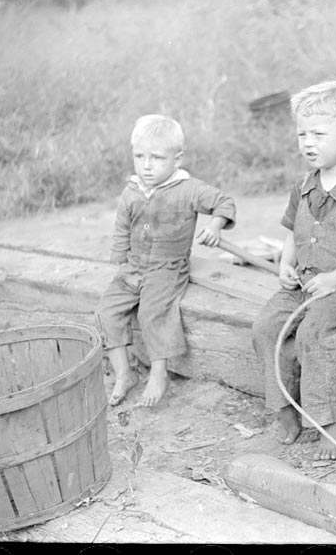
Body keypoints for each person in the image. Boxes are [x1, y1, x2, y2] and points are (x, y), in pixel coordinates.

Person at [251, 77, 336, 460]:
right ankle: (285, 410)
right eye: (301, 134)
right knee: (265, 328)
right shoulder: (304, 185)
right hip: (304, 284)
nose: (307, 143)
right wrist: (285, 264)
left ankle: (332, 425)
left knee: (315, 333)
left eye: (317, 134)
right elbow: (293, 233)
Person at [96, 114, 236, 408]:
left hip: (167, 268)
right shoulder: (132, 190)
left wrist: (215, 225)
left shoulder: (189, 189)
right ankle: (124, 373)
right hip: (134, 266)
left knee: (151, 312)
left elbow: (224, 202)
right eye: (139, 157)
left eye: (157, 158)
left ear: (177, 159)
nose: (146, 166)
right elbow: (123, 226)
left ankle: (159, 372)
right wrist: (121, 260)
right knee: (107, 311)